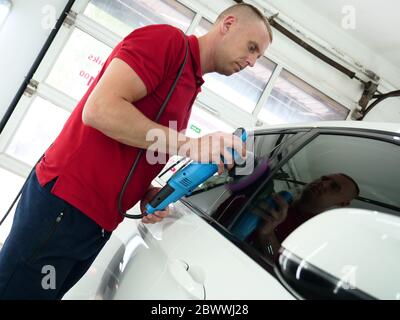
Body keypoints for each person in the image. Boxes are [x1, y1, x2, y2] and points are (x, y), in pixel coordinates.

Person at [0, 4, 273, 299]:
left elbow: (135, 146)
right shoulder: (166, 43)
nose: (252, 62)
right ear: (228, 24)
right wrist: (190, 145)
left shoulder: (190, 84)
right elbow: (99, 110)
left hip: (97, 224)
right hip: (66, 207)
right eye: (252, 47)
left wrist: (144, 191)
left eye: (259, 56)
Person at [251, 173, 360, 261]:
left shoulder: (313, 236)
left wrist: (267, 235)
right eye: (324, 178)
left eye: (334, 187)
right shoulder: (280, 199)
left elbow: (275, 261)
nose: (323, 183)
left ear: (342, 204)